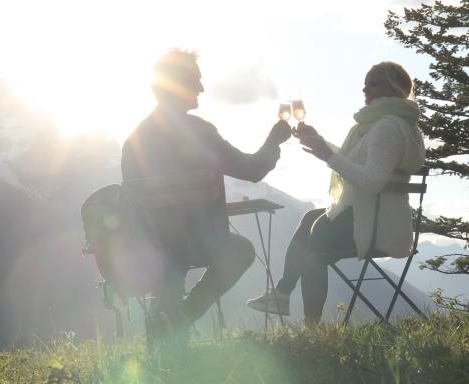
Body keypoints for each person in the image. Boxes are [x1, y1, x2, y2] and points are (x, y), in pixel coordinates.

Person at [121, 48, 292, 334]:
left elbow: (139, 200)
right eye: (195, 80)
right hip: (198, 242)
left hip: (150, 246)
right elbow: (252, 170)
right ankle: (183, 316)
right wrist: (274, 141)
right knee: (241, 250)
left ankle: (165, 330)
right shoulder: (199, 133)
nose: (201, 87)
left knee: (171, 262)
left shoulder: (135, 140)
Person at [246, 61, 426, 324]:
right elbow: (354, 161)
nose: (366, 89)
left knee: (316, 237)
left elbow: (372, 181)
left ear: (397, 88)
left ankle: (310, 325)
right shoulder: (390, 124)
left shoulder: (387, 127)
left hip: (377, 224)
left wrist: (328, 155)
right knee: (310, 219)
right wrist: (320, 144)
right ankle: (283, 294)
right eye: (365, 84)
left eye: (374, 83)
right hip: (377, 214)